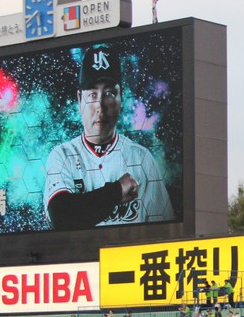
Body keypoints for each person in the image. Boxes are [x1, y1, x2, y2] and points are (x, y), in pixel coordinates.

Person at [44, 44, 173, 229]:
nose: (100, 105)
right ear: (80, 99)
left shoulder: (142, 159)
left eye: (110, 93)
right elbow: (61, 216)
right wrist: (117, 191)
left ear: (121, 99)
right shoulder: (62, 156)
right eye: (92, 94)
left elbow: (168, 233)